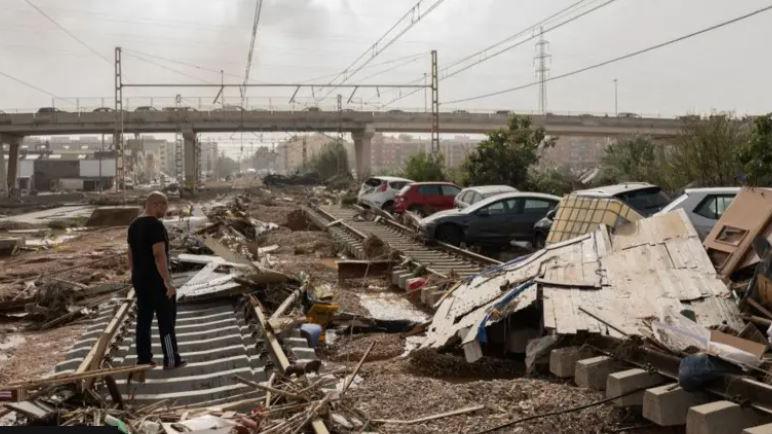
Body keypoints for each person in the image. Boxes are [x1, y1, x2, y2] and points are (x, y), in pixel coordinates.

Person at [127, 191, 185, 369]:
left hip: (140, 280)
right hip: (156, 281)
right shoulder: (155, 226)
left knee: (143, 320)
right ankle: (171, 359)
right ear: (154, 204)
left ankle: (143, 359)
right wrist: (167, 282)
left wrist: (134, 273)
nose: (165, 209)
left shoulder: (134, 225)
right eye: (164, 205)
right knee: (166, 321)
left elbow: (129, 253)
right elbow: (159, 255)